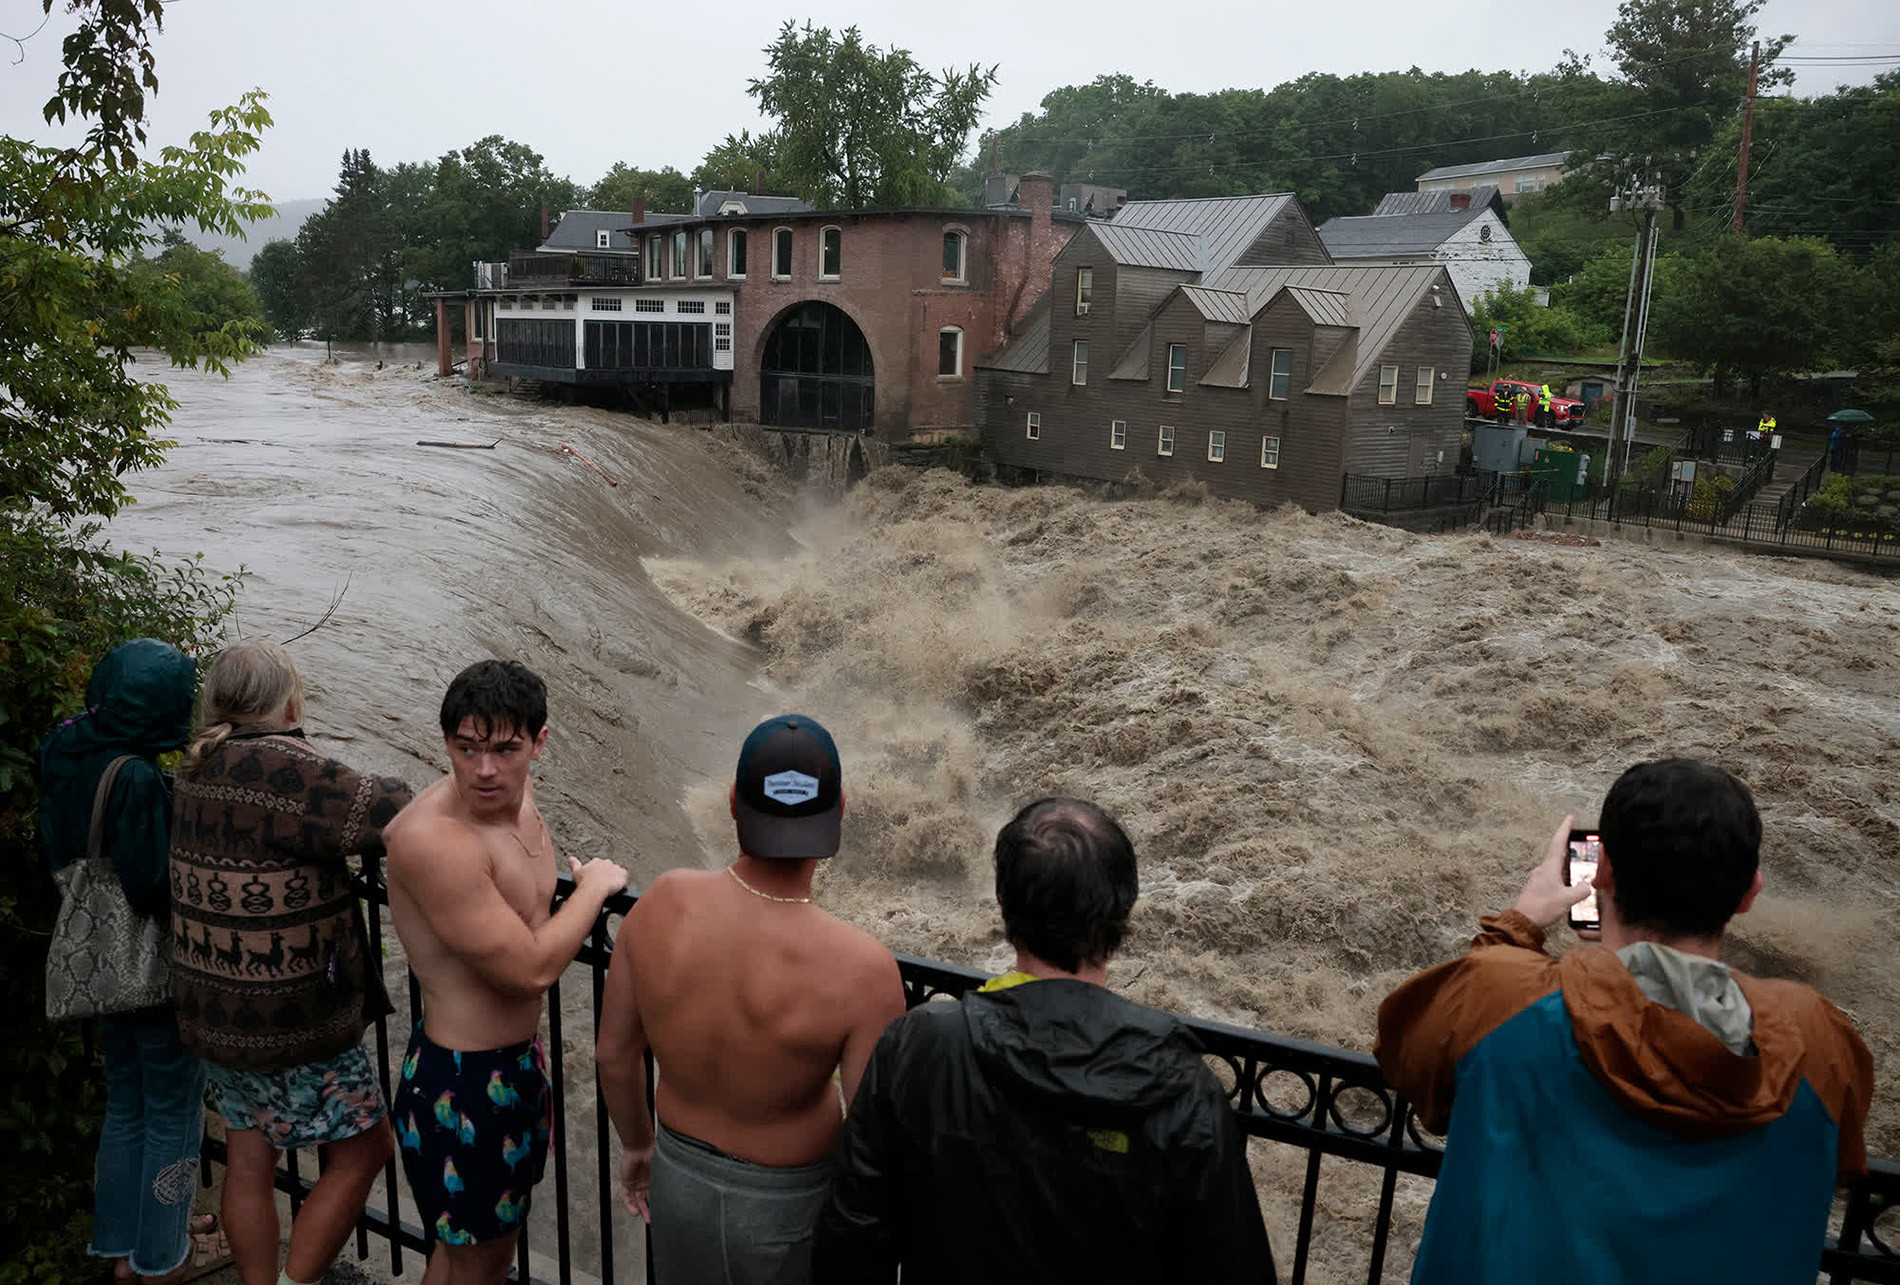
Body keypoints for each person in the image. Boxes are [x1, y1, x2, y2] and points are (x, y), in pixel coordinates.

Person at [1376, 759, 1873, 1285]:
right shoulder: (1822, 1045)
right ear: (1749, 893)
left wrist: (1517, 926)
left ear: (1603, 872)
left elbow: (1408, 1056)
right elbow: (1836, 1164)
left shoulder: (1502, 998)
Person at [813, 798, 1275, 1285]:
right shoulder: (1183, 1091)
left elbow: (854, 1237)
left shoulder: (922, 1046)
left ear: (1004, 904)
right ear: (1124, 909)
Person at [595, 714, 906, 1285]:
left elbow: (614, 1056)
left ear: (735, 802)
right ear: (839, 812)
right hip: (788, 1210)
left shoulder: (661, 903)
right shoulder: (863, 968)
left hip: (676, 1178)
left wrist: (639, 1147)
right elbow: (871, 1140)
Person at [170, 638, 413, 1285]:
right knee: (365, 1149)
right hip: (291, 1023)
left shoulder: (197, 764)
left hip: (214, 1009)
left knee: (249, 1158)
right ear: (290, 700)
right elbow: (395, 807)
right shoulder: (287, 768)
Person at [384, 659, 629, 1284]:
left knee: (474, 1253)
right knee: (481, 1264)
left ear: (537, 743)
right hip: (462, 1083)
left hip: (517, 1066)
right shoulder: (434, 840)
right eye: (466, 749)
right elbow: (529, 972)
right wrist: (592, 890)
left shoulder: (513, 796)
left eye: (504, 749)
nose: (485, 769)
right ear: (446, 743)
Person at [40, 639, 219, 1285]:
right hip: (149, 975)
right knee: (173, 1107)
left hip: (98, 962)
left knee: (126, 1102)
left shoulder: (64, 744)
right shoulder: (137, 776)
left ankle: (120, 1244)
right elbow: (149, 886)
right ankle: (160, 1257)